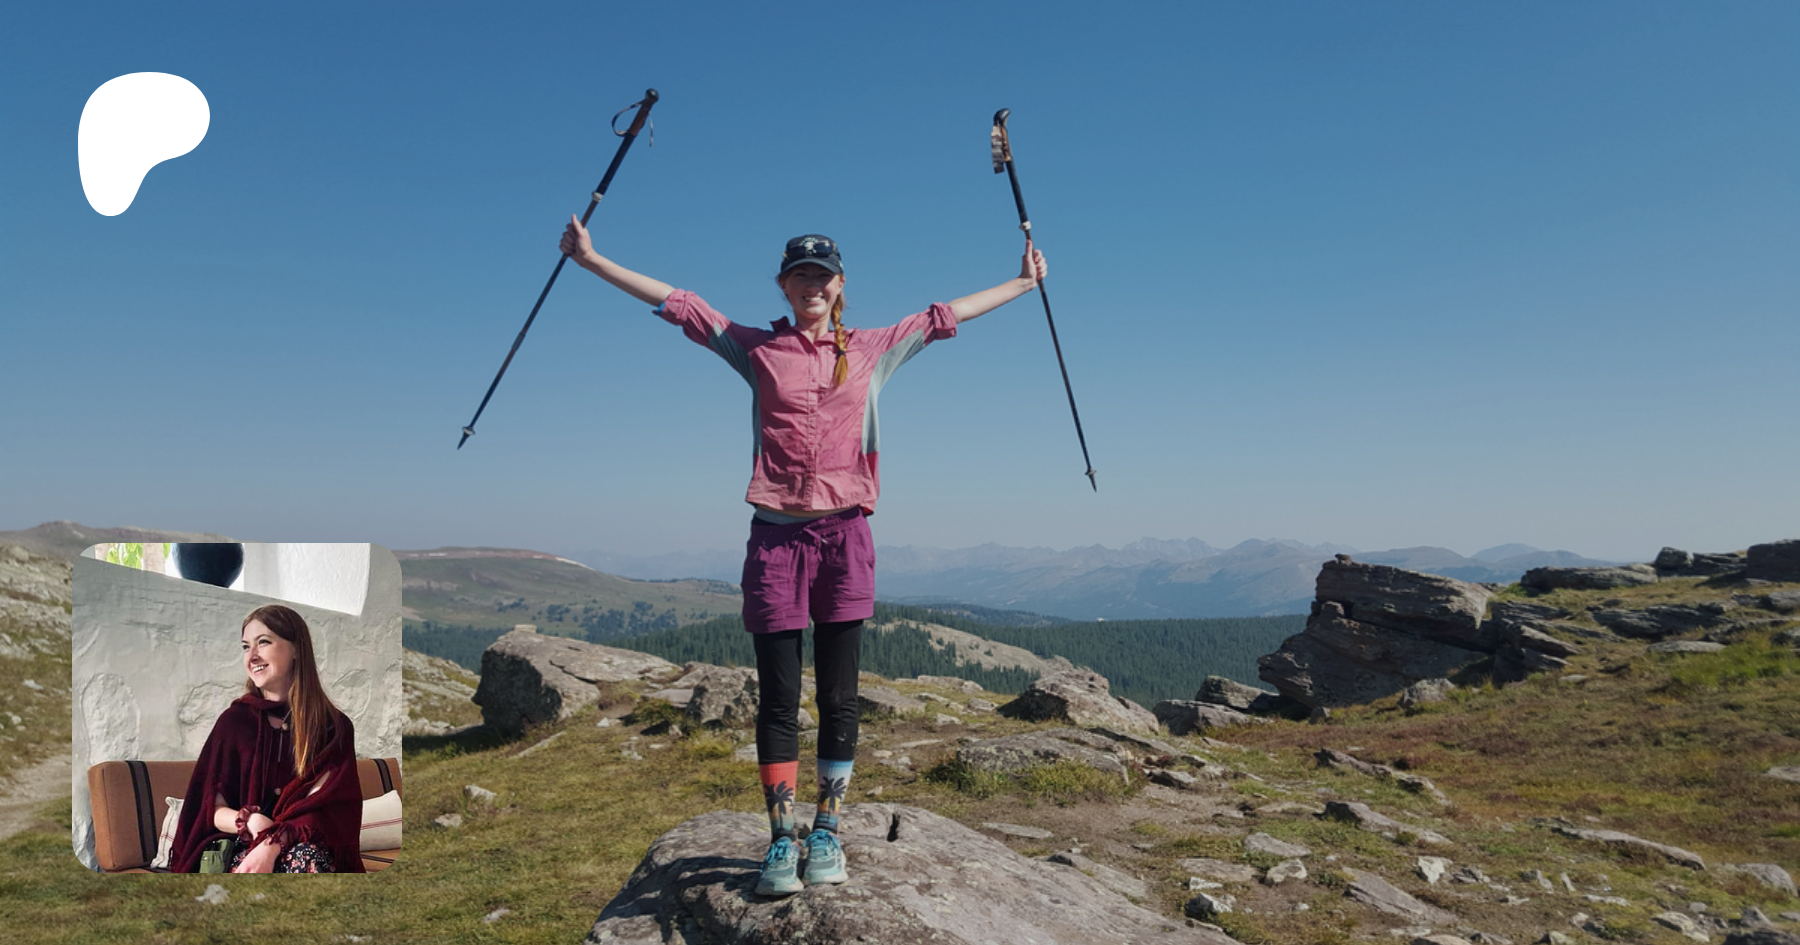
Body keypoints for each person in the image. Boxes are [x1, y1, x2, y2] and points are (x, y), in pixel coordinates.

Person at [560, 216, 1047, 896]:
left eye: (822, 275)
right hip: (776, 540)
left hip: (846, 536)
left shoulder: (875, 347)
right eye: (800, 275)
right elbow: (683, 305)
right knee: (779, 699)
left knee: (840, 696)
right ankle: (780, 839)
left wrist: (1023, 283)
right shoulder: (757, 349)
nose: (811, 284)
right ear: (784, 286)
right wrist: (591, 261)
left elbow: (945, 315)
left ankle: (827, 831)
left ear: (839, 285)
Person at [169, 604, 365, 873]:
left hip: (303, 847)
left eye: (263, 642)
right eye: (245, 646)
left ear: (296, 649)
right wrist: (249, 821)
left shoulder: (333, 728)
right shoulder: (234, 722)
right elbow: (211, 809)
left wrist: (273, 842)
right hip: (241, 844)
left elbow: (323, 809)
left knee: (306, 856)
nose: (252, 656)